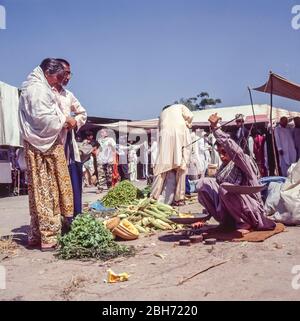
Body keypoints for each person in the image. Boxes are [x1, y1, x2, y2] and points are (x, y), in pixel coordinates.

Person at [18, 58, 75, 251]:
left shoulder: (39, 86)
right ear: (48, 73)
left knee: (47, 189)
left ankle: (38, 234)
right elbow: (43, 120)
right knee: (46, 190)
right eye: (58, 76)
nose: (60, 81)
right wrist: (65, 121)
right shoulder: (37, 90)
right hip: (42, 147)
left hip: (44, 144)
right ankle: (48, 236)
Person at [196, 113, 276, 234]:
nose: (222, 156)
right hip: (228, 214)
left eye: (224, 152)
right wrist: (204, 219)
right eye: (219, 153)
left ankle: (245, 222)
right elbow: (215, 195)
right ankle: (227, 222)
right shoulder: (223, 169)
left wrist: (216, 129)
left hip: (251, 211)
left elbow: (234, 150)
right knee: (203, 183)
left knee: (225, 188)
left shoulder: (243, 161)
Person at [52, 58, 87, 216]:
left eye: (69, 74)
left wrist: (74, 122)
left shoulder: (69, 95)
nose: (68, 77)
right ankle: (56, 219)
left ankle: (73, 217)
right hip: (50, 143)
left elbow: (82, 113)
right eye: (66, 73)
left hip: (67, 144)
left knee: (72, 180)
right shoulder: (46, 93)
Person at [150, 104, 193, 206]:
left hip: (165, 134)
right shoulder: (180, 106)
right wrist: (187, 124)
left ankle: (154, 196)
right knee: (182, 164)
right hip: (180, 131)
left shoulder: (162, 114)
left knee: (162, 166)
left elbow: (159, 129)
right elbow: (190, 116)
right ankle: (179, 198)